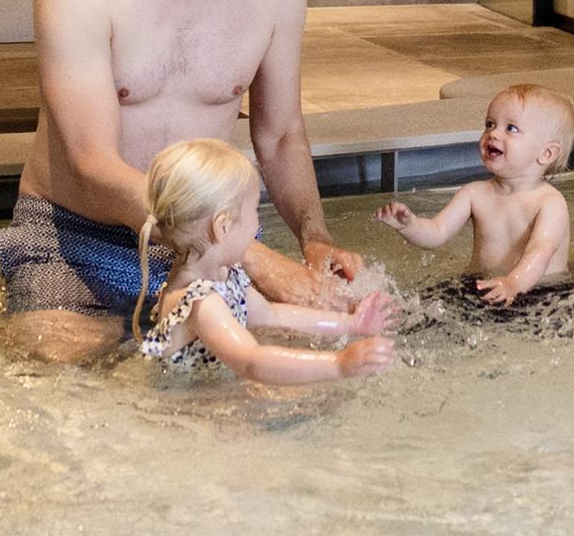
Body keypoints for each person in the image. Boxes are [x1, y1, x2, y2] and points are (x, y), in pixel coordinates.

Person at [0, 0, 388, 363]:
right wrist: (257, 260)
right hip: (80, 239)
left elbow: (279, 134)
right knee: (60, 368)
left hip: (216, 248)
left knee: (310, 358)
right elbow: (91, 164)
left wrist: (313, 238)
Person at [129, 138, 397, 386]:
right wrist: (338, 364)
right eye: (254, 211)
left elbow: (272, 315)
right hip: (188, 402)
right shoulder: (200, 302)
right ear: (223, 227)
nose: (257, 223)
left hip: (209, 385)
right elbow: (251, 361)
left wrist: (350, 323)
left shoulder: (223, 274)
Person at [376, 83, 574, 307]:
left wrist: (514, 282)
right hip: (481, 285)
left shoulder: (549, 203)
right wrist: (409, 225)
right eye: (490, 124)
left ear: (546, 153)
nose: (493, 133)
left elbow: (539, 251)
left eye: (511, 128)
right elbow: (437, 232)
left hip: (539, 290)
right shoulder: (474, 193)